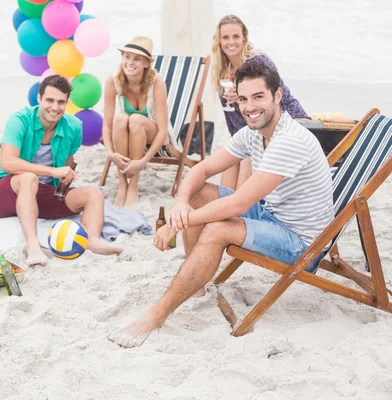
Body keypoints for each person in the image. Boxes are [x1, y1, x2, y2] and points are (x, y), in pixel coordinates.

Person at [108, 61, 334, 348]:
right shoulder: (254, 131)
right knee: (198, 191)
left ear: (277, 96)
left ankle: (154, 316)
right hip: (271, 216)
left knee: (217, 229)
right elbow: (201, 170)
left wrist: (177, 224)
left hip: (301, 244)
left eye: (258, 96)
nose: (249, 107)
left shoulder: (289, 141)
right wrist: (180, 202)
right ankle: (196, 283)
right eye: (243, 98)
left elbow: (238, 204)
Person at [0, 75, 122, 267]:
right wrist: (52, 171)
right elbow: (7, 162)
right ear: (39, 99)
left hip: (42, 192)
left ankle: (91, 241)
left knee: (94, 194)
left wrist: (67, 174)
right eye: (49, 100)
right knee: (29, 178)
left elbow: (67, 161)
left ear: (67, 103)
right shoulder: (20, 120)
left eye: (61, 102)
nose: (55, 107)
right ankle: (33, 245)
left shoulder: (74, 126)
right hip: (7, 191)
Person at [211, 15, 309, 190]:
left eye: (235, 36)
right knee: (231, 158)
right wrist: (236, 146)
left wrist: (301, 122)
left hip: (278, 127)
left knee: (247, 158)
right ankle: (226, 204)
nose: (230, 42)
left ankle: (240, 209)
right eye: (225, 37)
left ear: (244, 38)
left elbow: (283, 96)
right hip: (249, 133)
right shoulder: (222, 71)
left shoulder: (259, 62)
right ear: (219, 40)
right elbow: (232, 120)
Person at [102, 36, 169, 208]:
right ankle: (123, 184)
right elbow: (107, 124)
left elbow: (163, 130)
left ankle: (134, 184)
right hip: (128, 131)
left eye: (137, 59)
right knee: (120, 119)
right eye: (127, 57)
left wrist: (143, 162)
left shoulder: (156, 83)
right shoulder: (114, 81)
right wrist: (110, 152)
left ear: (146, 63)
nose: (130, 62)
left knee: (135, 119)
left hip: (152, 133)